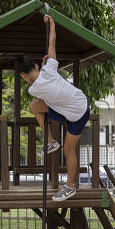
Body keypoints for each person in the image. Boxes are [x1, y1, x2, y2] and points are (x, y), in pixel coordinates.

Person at [17, 13, 90, 201]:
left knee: (68, 149)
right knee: (36, 106)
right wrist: (52, 25)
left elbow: (41, 84)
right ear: (36, 65)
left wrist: (44, 64)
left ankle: (69, 187)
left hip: (77, 114)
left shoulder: (33, 89)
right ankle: (51, 142)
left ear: (23, 77)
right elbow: (52, 45)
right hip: (78, 103)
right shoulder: (49, 68)